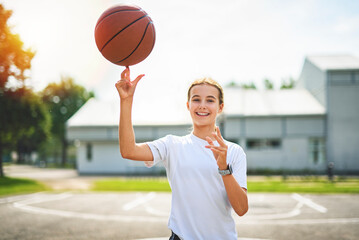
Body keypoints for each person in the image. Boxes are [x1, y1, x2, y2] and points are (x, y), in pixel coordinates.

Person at [115, 67, 248, 240]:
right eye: (196, 99)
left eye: (210, 100)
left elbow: (241, 209)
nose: (202, 105)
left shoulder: (234, 152)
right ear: (188, 105)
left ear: (220, 107)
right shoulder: (173, 145)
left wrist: (224, 168)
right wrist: (126, 101)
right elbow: (128, 150)